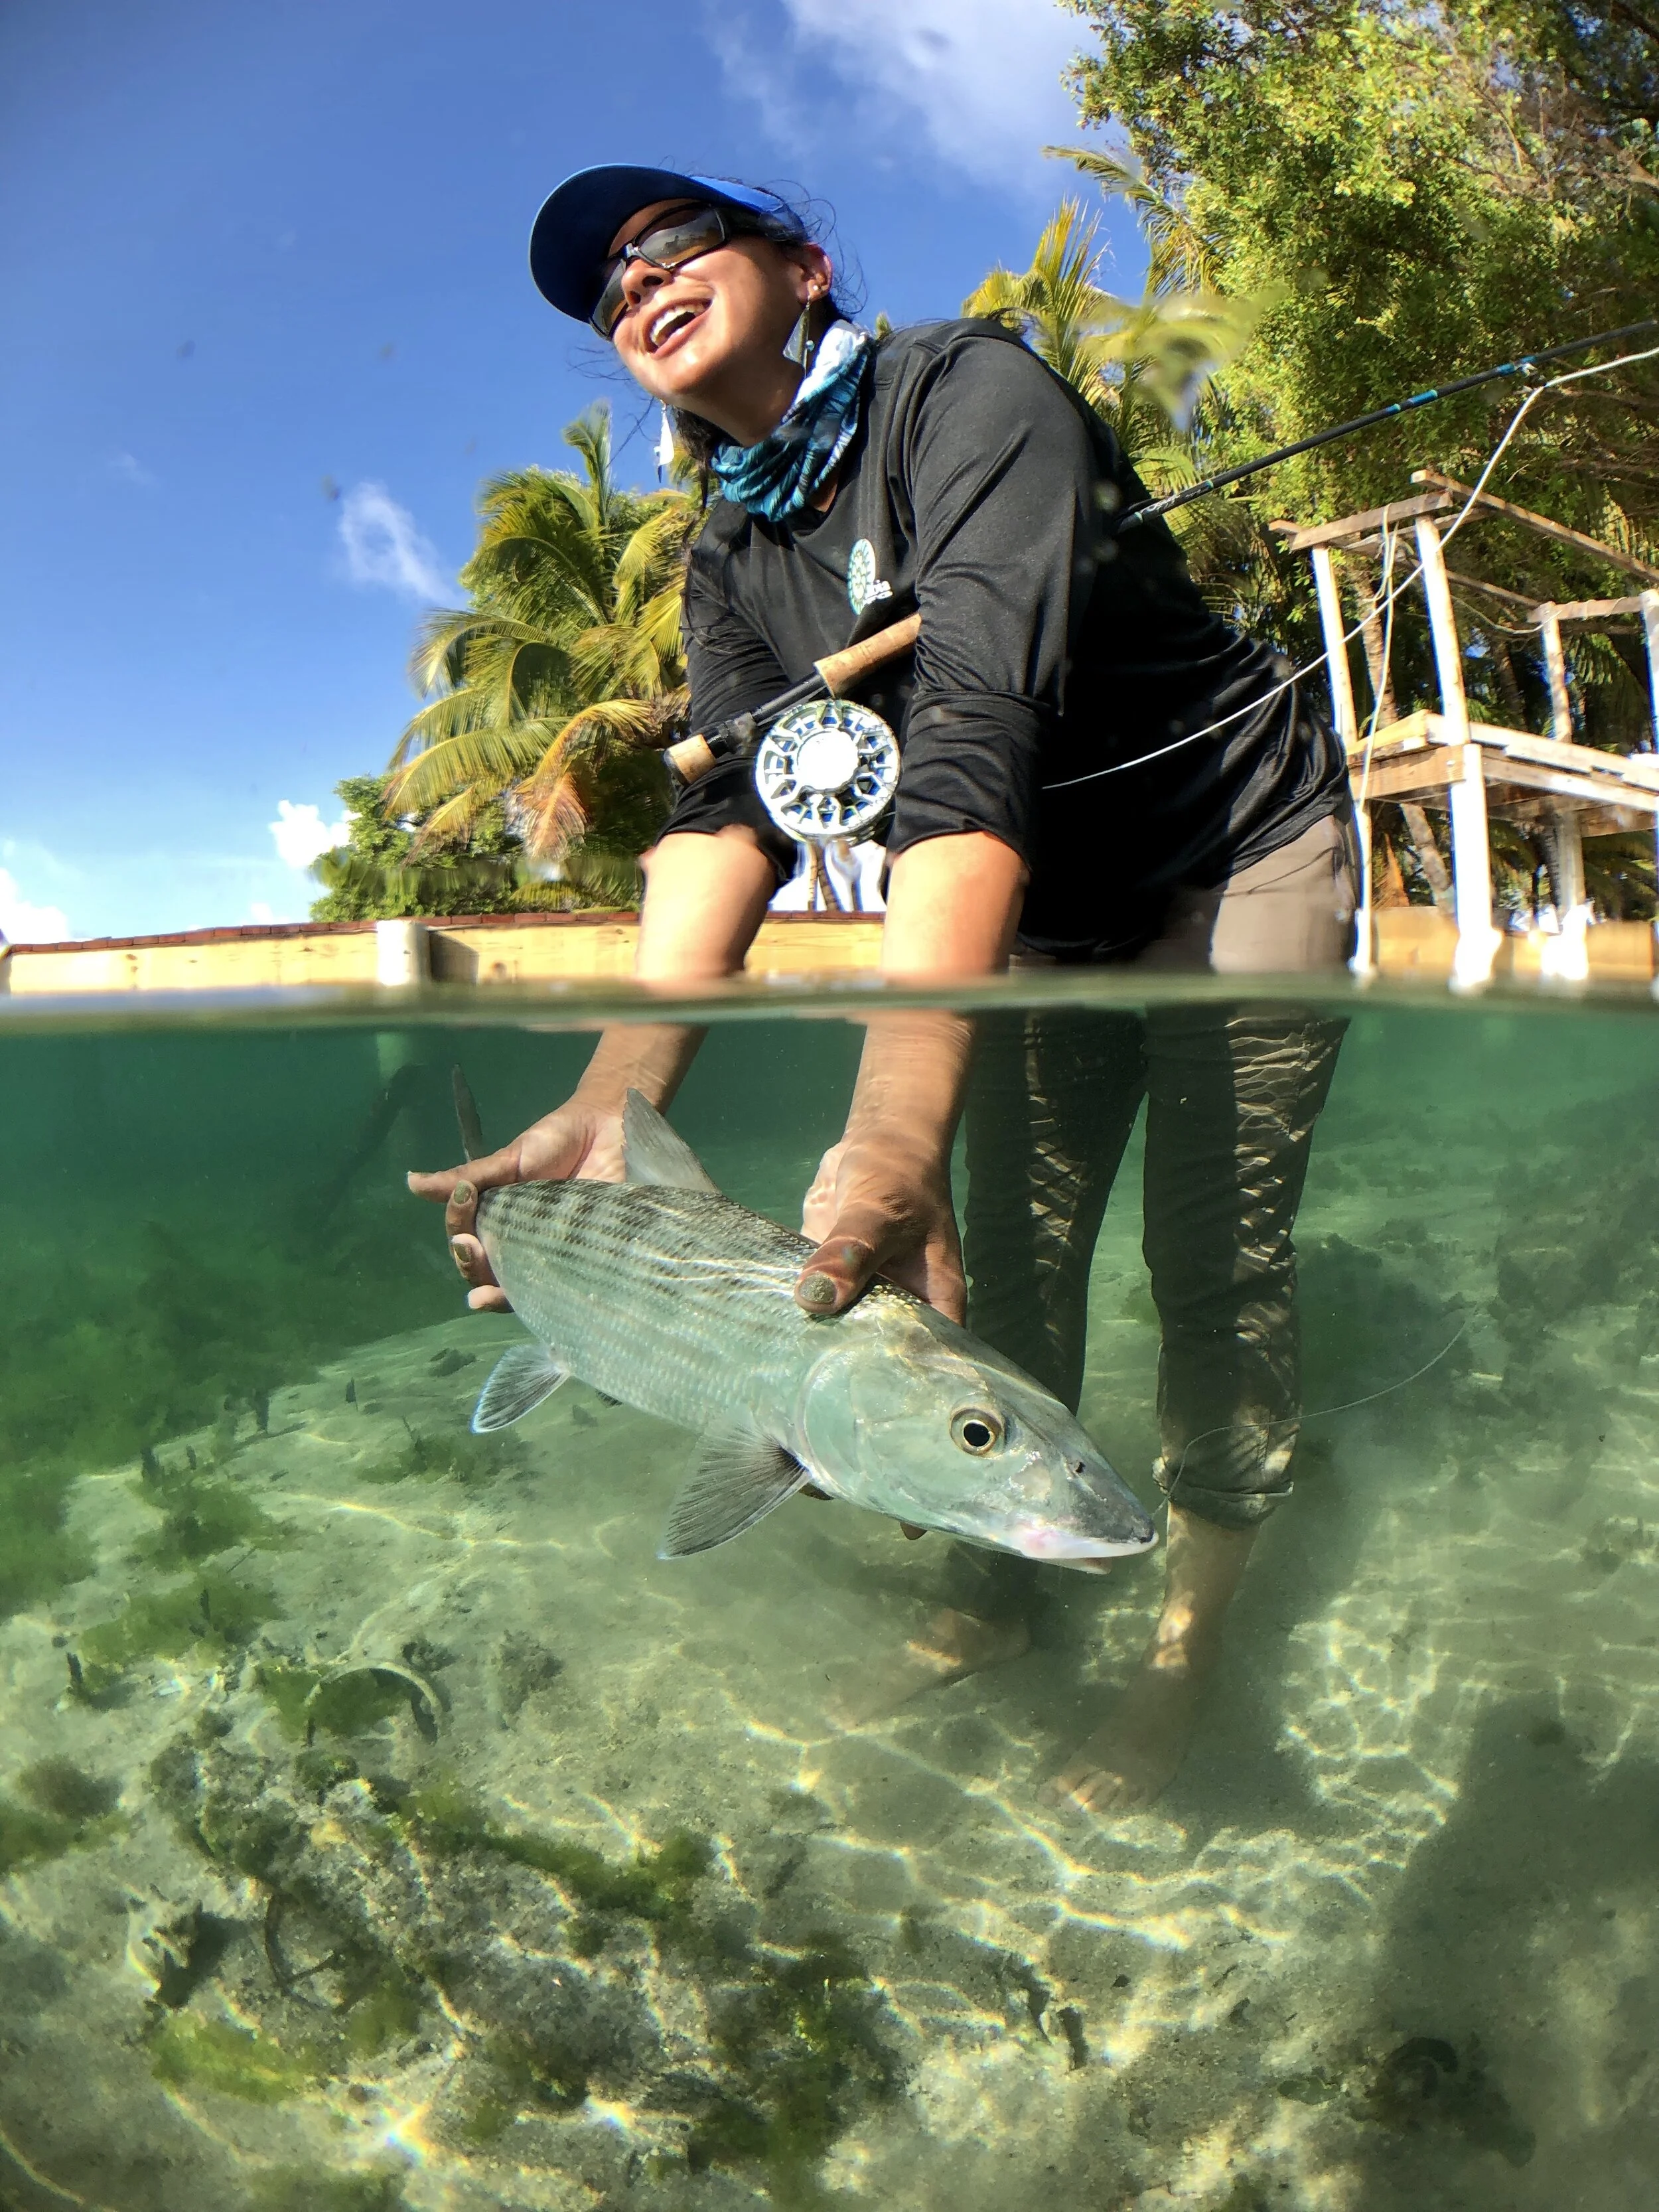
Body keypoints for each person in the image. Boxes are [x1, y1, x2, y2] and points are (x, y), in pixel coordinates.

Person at [414, 165, 1357, 1812]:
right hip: (1036, 920)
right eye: (601, 291)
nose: (632, 285)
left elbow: (973, 731)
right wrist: (606, 1098)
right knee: (1004, 1267)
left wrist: (889, 1126)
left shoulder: (972, 393)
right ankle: (992, 1582)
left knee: (1211, 1258)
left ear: (801, 262)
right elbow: (727, 822)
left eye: (669, 244)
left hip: (1231, 849)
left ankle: (1186, 1649)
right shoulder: (727, 556)